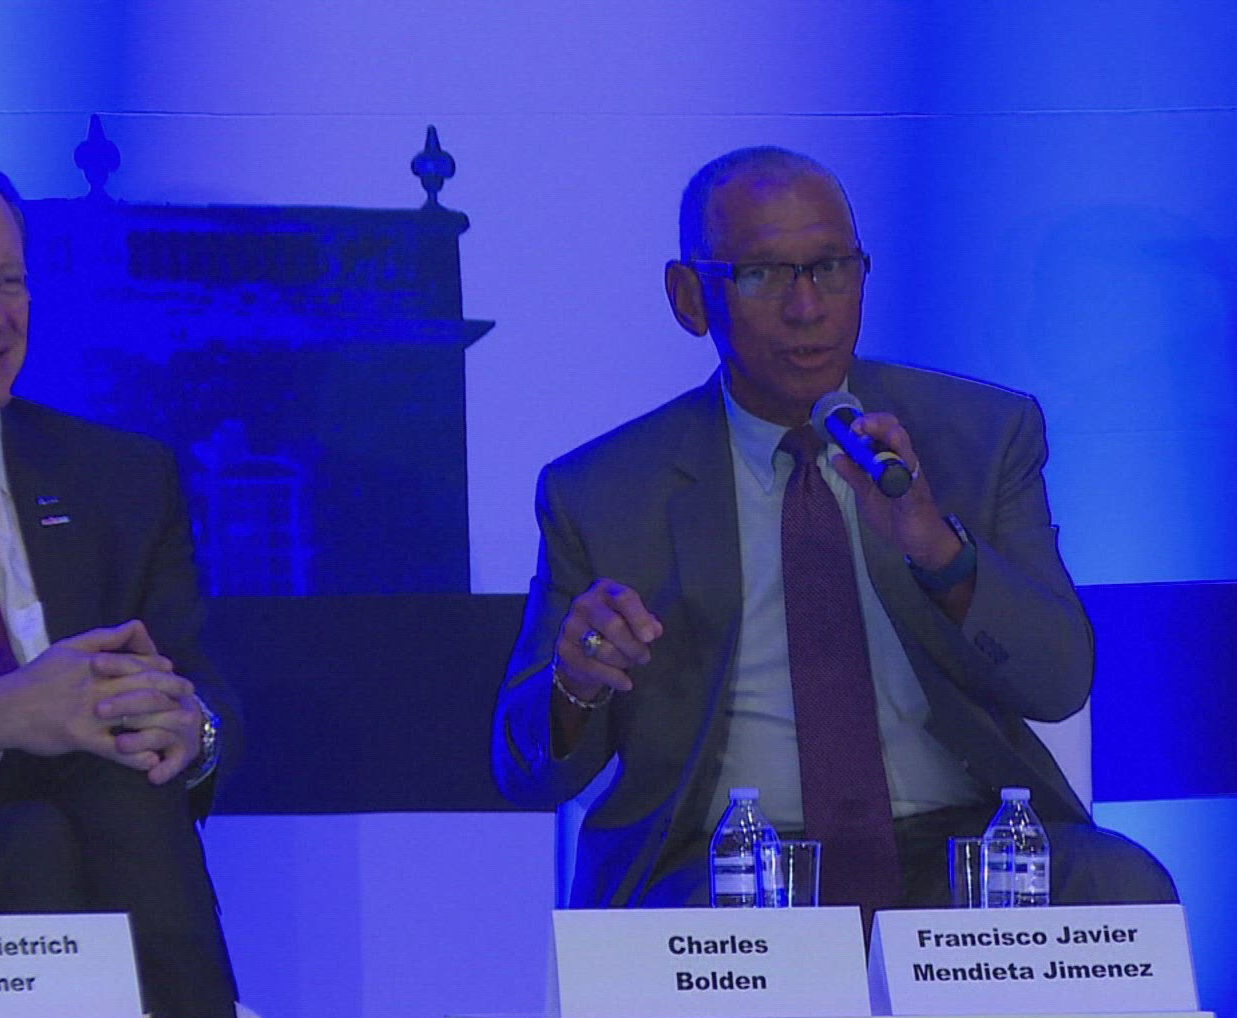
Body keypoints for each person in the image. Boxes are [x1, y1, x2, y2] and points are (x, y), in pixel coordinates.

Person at [493, 146, 1175, 917]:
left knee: (1124, 887)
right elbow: (525, 770)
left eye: (831, 269)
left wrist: (937, 550)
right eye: (762, 275)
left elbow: (1059, 683)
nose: (807, 307)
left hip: (957, 849)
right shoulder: (604, 490)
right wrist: (575, 683)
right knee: (679, 938)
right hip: (728, 869)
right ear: (689, 298)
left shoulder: (981, 436)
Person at [0, 142, 261, 1018]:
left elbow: (199, 689)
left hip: (87, 855)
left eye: (9, 281)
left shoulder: (121, 478)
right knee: (51, 828)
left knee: (89, 804)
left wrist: (187, 728)